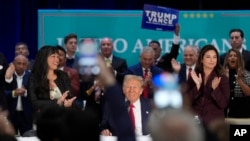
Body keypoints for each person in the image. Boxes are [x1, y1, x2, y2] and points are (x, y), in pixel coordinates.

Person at [28, 46, 77, 117]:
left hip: (64, 118)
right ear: (44, 58)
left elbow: (71, 98)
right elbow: (34, 103)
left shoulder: (63, 75)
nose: (57, 59)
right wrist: (57, 102)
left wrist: (70, 103)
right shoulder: (34, 78)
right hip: (44, 120)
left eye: (57, 56)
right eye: (53, 56)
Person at [187, 44, 230, 125]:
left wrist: (216, 89)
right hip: (196, 121)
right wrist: (197, 87)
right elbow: (187, 101)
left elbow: (224, 104)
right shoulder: (194, 76)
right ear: (201, 59)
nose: (212, 60)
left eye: (214, 57)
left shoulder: (221, 77)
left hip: (215, 123)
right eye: (208, 57)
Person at [4, 55, 33, 136]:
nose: (21, 66)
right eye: (19, 63)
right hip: (11, 115)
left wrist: (25, 92)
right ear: (13, 64)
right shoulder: (7, 75)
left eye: (24, 64)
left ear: (27, 65)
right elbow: (2, 93)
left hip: (26, 116)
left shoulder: (31, 76)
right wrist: (14, 93)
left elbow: (34, 93)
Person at [223, 48, 250, 118]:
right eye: (230, 56)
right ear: (227, 59)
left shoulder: (246, 74)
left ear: (239, 59)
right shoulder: (222, 74)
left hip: (242, 112)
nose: (232, 57)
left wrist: (239, 80)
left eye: (235, 56)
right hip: (225, 113)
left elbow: (248, 93)